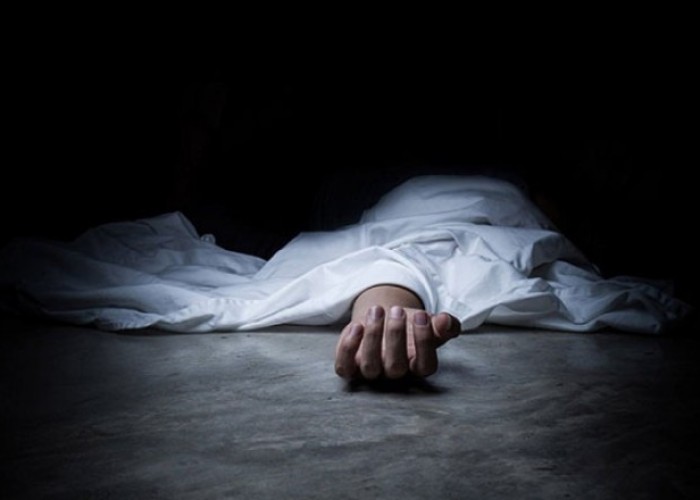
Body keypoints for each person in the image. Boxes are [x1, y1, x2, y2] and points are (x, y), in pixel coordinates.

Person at [0, 172, 691, 382]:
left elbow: (436, 251)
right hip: (377, 205)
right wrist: (386, 305)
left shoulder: (521, 216)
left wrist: (389, 305)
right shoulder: (501, 192)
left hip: (376, 212)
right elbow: (421, 245)